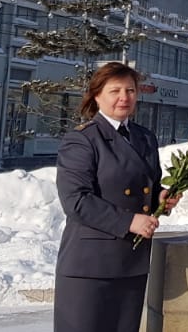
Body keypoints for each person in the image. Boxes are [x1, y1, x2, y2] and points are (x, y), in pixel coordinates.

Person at [53, 61, 176, 332]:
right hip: (90, 265)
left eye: (131, 90)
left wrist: (162, 199)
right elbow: (75, 200)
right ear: (97, 95)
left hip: (131, 264)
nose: (124, 97)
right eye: (115, 90)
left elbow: (149, 187)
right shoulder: (83, 139)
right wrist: (129, 221)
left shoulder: (144, 138)